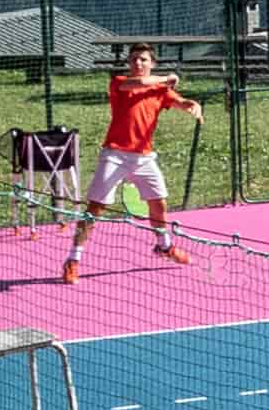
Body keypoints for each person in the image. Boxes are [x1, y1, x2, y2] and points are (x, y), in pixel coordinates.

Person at [63, 42, 198, 278]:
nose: (138, 63)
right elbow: (142, 83)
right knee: (95, 208)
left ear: (152, 63)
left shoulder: (161, 90)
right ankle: (73, 259)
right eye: (134, 59)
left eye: (143, 59)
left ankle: (164, 246)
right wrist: (167, 78)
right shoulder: (119, 82)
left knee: (159, 203)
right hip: (114, 155)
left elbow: (180, 102)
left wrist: (192, 105)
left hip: (144, 157)